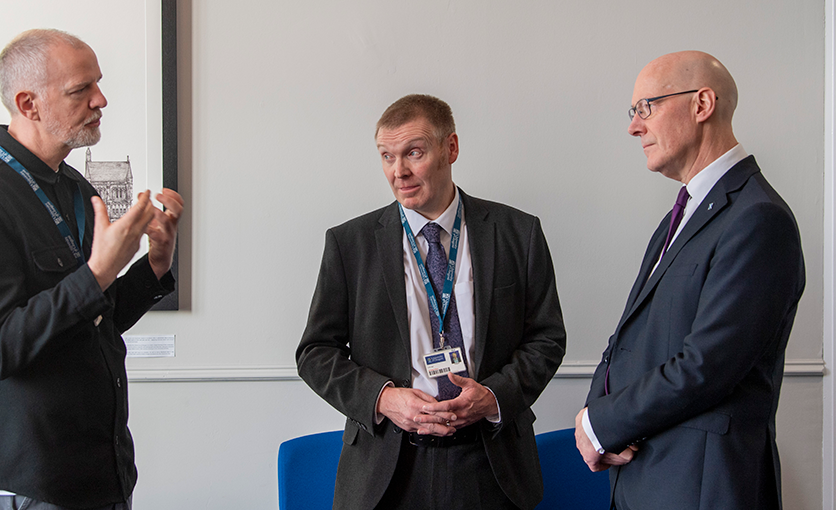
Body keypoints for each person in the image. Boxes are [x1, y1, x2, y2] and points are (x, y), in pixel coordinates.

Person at [0, 29, 184, 510]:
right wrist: (94, 274)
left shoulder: (72, 185)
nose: (101, 99)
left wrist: (155, 264)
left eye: (98, 83)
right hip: (29, 479)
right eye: (80, 90)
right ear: (28, 104)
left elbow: (96, 320)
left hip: (97, 469)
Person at [296, 94, 566, 510]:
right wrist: (384, 398)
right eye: (387, 156)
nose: (398, 171)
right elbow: (315, 352)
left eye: (413, 153)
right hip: (388, 466)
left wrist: (495, 395)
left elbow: (546, 339)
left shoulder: (518, 233)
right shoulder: (350, 244)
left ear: (451, 148)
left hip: (490, 461)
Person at [575, 51, 805, 509]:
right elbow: (629, 336)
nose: (634, 126)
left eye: (647, 107)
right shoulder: (681, 213)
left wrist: (603, 423)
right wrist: (595, 419)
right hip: (647, 474)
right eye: (633, 112)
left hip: (703, 486)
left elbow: (708, 364)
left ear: (702, 105)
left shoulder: (759, 218)